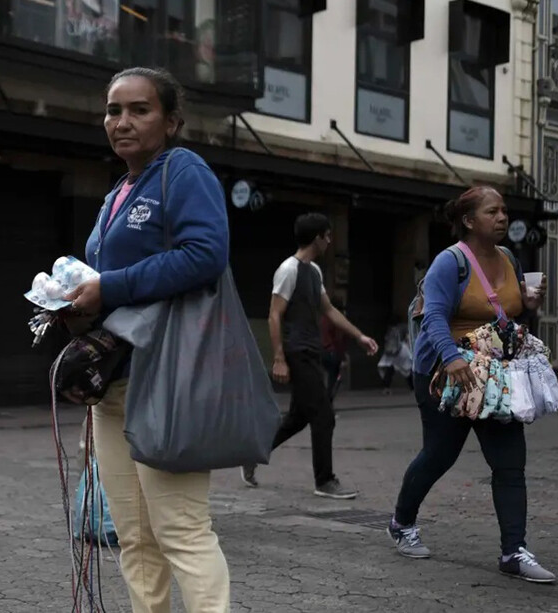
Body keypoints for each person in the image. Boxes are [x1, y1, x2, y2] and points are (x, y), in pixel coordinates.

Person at [64, 67, 230, 613]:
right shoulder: (117, 192)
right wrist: (73, 304)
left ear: (172, 121)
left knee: (181, 530)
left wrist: (107, 286)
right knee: (133, 536)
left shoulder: (182, 172)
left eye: (140, 110)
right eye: (114, 110)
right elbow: (106, 285)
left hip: (166, 379)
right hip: (112, 386)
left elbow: (206, 256)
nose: (122, 121)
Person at [387, 186, 557, 583]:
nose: (502, 218)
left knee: (510, 462)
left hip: (497, 376)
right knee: (439, 455)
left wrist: (530, 303)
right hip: (447, 375)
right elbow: (432, 318)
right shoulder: (450, 262)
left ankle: (514, 551)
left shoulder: (510, 258)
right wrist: (452, 357)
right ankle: (401, 521)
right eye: (492, 212)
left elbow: (508, 313)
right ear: (468, 220)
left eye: (504, 212)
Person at [240, 214, 379, 497]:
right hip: (297, 351)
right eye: (327, 236)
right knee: (324, 415)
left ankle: (252, 453)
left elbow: (329, 310)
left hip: (312, 350)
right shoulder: (288, 270)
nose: (329, 241)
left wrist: (359, 336)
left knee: (299, 417)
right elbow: (274, 315)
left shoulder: (314, 272)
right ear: (317, 237)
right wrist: (278, 357)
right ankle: (324, 480)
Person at [320, 299, 348, 401]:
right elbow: (339, 339)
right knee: (334, 379)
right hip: (332, 352)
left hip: (321, 351)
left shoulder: (322, 318)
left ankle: (324, 401)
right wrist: (343, 357)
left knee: (325, 377)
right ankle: (328, 402)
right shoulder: (337, 320)